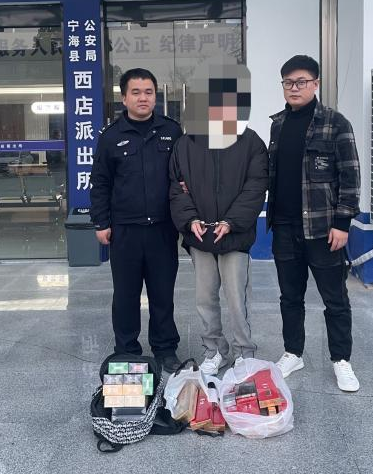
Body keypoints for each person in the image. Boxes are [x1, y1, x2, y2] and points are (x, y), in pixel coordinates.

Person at [268, 55, 361, 392]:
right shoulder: (278, 124)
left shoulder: (336, 123)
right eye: (288, 82)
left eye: (301, 82)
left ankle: (341, 360)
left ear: (315, 84)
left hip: (323, 229)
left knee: (334, 298)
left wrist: (343, 222)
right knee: (289, 297)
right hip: (284, 226)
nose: (294, 88)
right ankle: (293, 352)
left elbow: (350, 175)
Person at [169, 69, 268, 376]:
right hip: (200, 236)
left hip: (234, 235)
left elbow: (256, 186)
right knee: (204, 298)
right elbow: (176, 186)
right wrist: (190, 220)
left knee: (237, 299)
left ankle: (244, 353)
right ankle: (214, 351)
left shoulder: (250, 142)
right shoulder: (186, 144)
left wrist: (231, 221)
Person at [90, 68, 183, 372]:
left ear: (156, 96)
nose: (143, 98)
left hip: (162, 230)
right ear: (124, 98)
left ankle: (165, 348)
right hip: (125, 231)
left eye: (148, 92)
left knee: (162, 293)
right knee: (125, 295)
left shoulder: (172, 131)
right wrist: (101, 222)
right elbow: (100, 182)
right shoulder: (111, 136)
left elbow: (184, 176)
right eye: (136, 92)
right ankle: (127, 349)